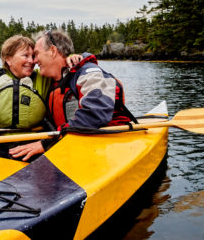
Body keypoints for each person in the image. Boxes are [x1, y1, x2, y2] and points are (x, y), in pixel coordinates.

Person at [9, 30, 133, 161]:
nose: (34, 60)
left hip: (108, 149)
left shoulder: (88, 72)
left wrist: (46, 144)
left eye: (36, 54)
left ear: (52, 51)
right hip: (72, 146)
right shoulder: (53, 83)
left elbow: (96, 112)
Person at [0, 34, 81, 134]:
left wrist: (70, 58)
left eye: (33, 56)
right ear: (8, 59)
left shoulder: (42, 78)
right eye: (25, 55)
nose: (32, 61)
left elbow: (58, 65)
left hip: (31, 140)